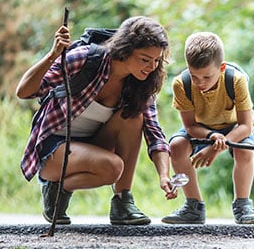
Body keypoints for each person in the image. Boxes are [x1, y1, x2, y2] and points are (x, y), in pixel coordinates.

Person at [16, 16, 178, 225]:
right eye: (145, 59)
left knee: (134, 117)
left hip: (93, 144)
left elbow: (154, 133)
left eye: (156, 61)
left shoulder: (141, 83)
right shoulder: (86, 59)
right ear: (125, 49)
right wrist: (53, 55)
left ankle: (122, 202)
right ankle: (54, 187)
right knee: (112, 167)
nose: (151, 67)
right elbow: (24, 91)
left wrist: (164, 176)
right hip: (54, 148)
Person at [161, 31, 254, 225]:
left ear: (222, 68)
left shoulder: (236, 80)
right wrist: (211, 136)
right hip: (202, 128)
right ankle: (193, 207)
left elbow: (246, 125)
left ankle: (243, 205)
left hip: (235, 127)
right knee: (177, 146)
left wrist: (215, 148)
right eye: (194, 76)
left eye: (207, 77)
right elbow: (190, 126)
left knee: (245, 151)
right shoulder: (181, 84)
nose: (200, 83)